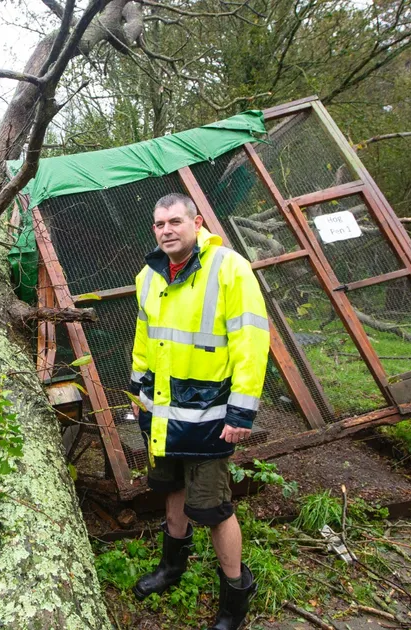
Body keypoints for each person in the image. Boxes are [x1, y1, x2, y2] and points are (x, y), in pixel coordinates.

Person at [129, 193, 270, 630]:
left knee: (212, 508)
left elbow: (251, 341)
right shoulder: (148, 276)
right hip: (163, 414)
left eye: (175, 221)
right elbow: (144, 339)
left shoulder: (229, 268)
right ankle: (172, 569)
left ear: (197, 222)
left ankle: (235, 598)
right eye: (159, 224)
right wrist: (139, 394)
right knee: (170, 490)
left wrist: (241, 412)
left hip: (210, 416)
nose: (166, 230)